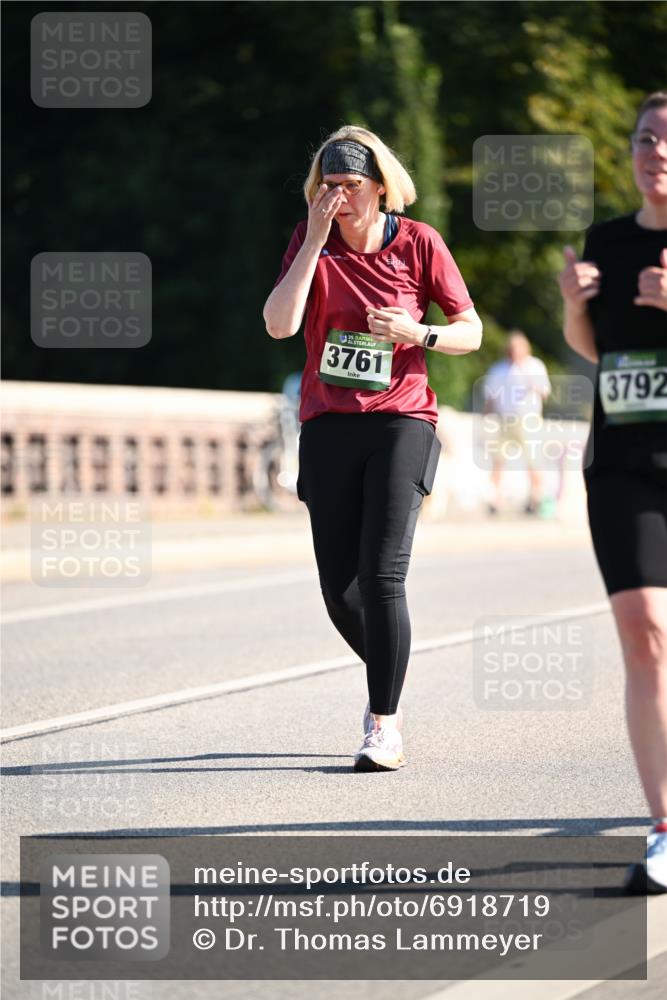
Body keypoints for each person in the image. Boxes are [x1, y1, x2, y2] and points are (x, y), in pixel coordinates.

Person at [263, 125, 482, 771]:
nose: (337, 197)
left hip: (401, 421)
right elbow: (279, 324)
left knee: (383, 576)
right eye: (326, 187)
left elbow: (469, 329)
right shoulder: (312, 244)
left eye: (349, 186)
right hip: (329, 425)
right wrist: (311, 240)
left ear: (380, 188)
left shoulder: (418, 243)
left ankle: (381, 722)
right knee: (341, 593)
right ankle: (394, 663)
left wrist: (420, 332)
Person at [558, 92, 667, 892]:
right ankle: (663, 826)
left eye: (666, 140)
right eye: (642, 137)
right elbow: (593, 352)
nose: (653, 150)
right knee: (645, 631)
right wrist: (572, 306)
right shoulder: (605, 242)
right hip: (623, 458)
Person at [482, 330, 551, 515]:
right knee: (498, 460)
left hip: (529, 419)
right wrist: (487, 418)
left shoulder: (535, 366)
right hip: (505, 419)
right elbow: (490, 397)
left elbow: (544, 392)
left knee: (533, 461)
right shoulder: (499, 369)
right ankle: (494, 499)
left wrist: (531, 382)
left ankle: (536, 498)